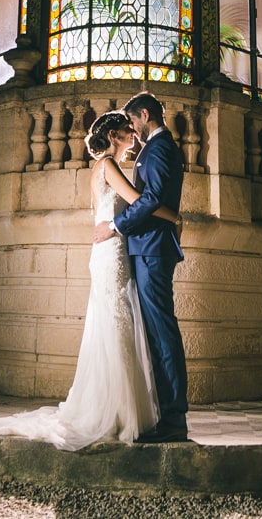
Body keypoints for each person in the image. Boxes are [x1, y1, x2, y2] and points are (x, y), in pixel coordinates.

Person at [0, 112, 182, 451]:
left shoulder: (96, 170)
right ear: (114, 134)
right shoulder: (109, 166)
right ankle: (114, 412)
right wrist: (174, 216)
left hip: (106, 251)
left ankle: (114, 409)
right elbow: (138, 202)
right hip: (112, 251)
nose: (135, 135)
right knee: (116, 327)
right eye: (129, 130)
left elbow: (101, 212)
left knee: (113, 327)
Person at [107, 91, 189, 444]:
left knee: (161, 330)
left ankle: (174, 418)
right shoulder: (154, 148)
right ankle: (163, 412)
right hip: (148, 247)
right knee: (154, 331)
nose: (133, 130)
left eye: (134, 122)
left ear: (144, 115)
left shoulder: (159, 148)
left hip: (153, 250)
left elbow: (153, 198)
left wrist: (115, 225)